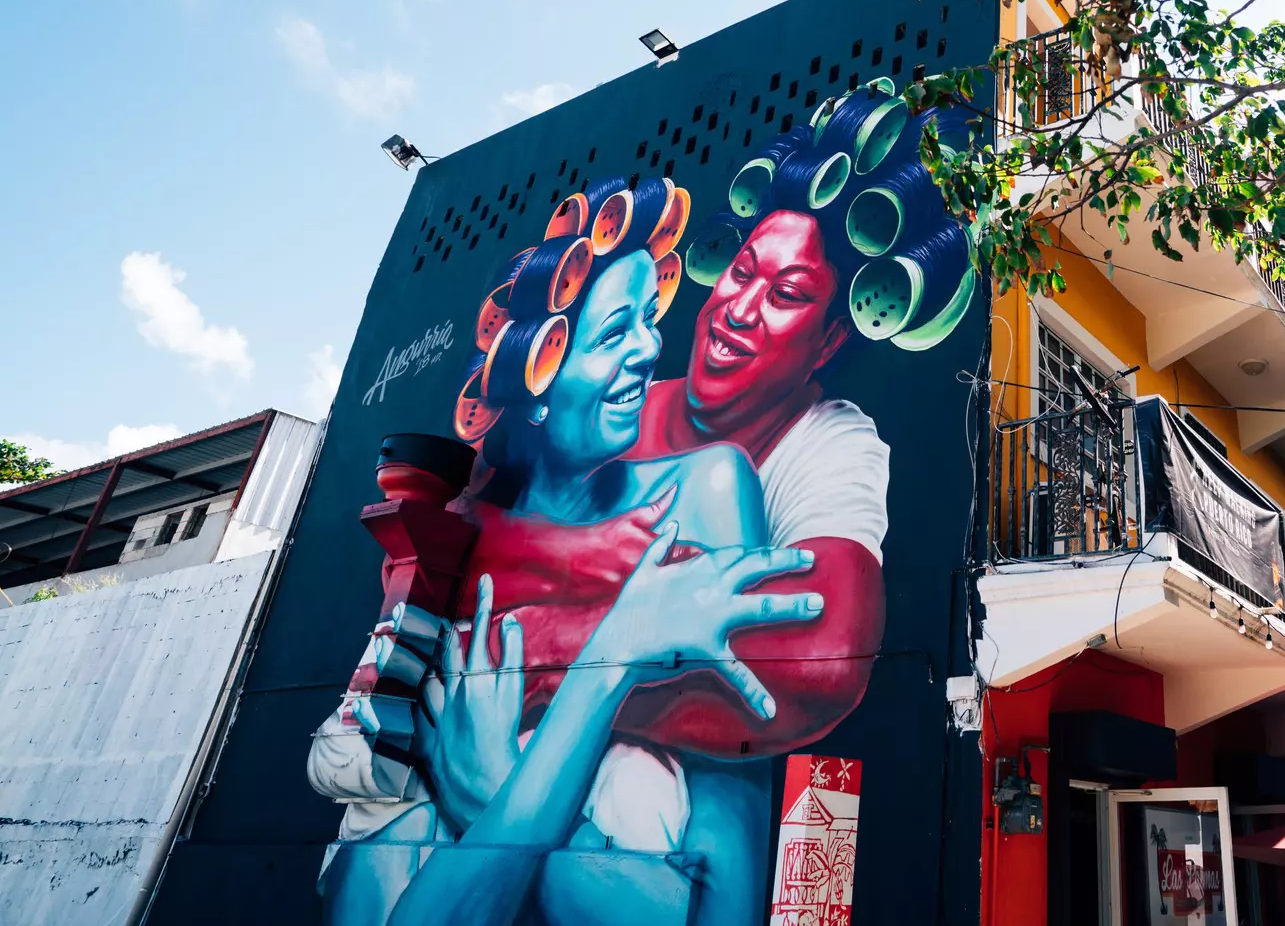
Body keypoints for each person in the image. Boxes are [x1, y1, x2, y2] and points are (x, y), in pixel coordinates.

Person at [311, 86, 977, 926]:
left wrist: (540, 689)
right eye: (741, 273)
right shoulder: (493, 509)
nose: (735, 311)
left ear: (830, 340)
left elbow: (808, 664)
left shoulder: (756, 470)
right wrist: (619, 646)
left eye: (786, 294)